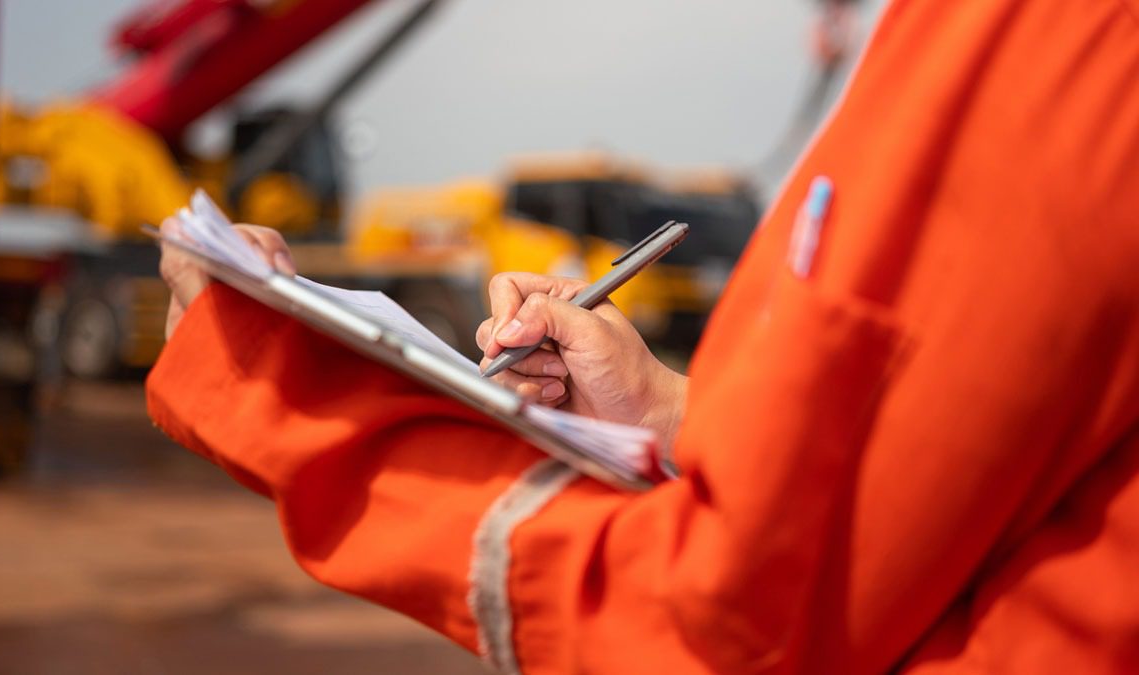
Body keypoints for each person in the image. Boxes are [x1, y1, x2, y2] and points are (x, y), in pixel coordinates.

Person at [148, 0, 1139, 672]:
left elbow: (735, 626)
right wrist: (665, 409)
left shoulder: (1055, 38)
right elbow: (975, 473)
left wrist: (275, 393)